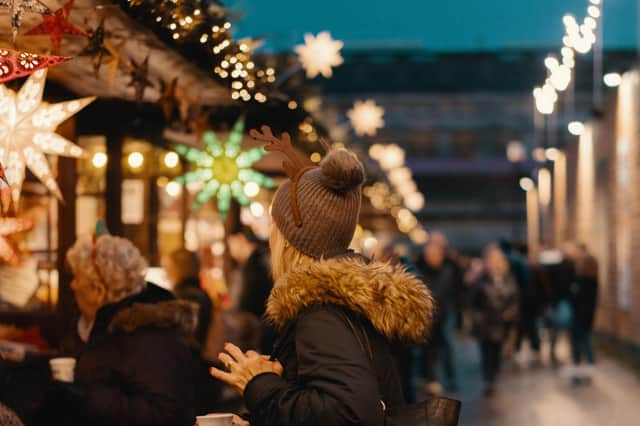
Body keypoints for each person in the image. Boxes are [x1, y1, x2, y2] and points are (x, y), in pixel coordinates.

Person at [210, 136, 435, 426]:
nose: (270, 238)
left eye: (275, 227)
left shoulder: (321, 311)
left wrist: (260, 384)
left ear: (291, 239)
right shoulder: (349, 301)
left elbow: (351, 414)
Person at [36, 226, 201, 426]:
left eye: (77, 277)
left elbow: (166, 415)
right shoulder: (88, 326)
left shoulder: (151, 334)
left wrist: (84, 397)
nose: (72, 285)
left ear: (98, 290)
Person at [471, 246, 519, 396]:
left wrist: (511, 313)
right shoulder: (481, 279)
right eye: (491, 260)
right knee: (486, 352)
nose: (494, 263)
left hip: (501, 323)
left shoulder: (509, 278)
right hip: (485, 323)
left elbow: (515, 298)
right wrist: (478, 318)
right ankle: (488, 380)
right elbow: (472, 300)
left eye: (497, 260)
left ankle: (493, 376)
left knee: (497, 352)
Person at [416, 241, 459, 394]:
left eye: (435, 255)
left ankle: (451, 379)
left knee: (447, 348)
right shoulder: (420, 272)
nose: (432, 258)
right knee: (428, 351)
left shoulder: (448, 271)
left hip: (445, 315)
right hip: (428, 317)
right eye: (429, 255)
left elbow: (453, 294)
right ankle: (431, 379)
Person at [228, 227, 274, 353]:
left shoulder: (253, 267)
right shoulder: (260, 261)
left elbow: (245, 303)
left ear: (240, 239)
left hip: (256, 333)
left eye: (231, 243)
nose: (230, 250)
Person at [164, 248, 213, 348]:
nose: (165, 273)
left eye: (167, 267)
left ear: (177, 269)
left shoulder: (186, 296)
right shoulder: (200, 293)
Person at [569, 244, 598, 384]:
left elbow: (575, 298)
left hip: (580, 318)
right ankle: (586, 372)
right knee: (586, 344)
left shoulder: (582, 281)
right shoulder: (593, 281)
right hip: (586, 317)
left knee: (580, 345)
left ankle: (580, 372)